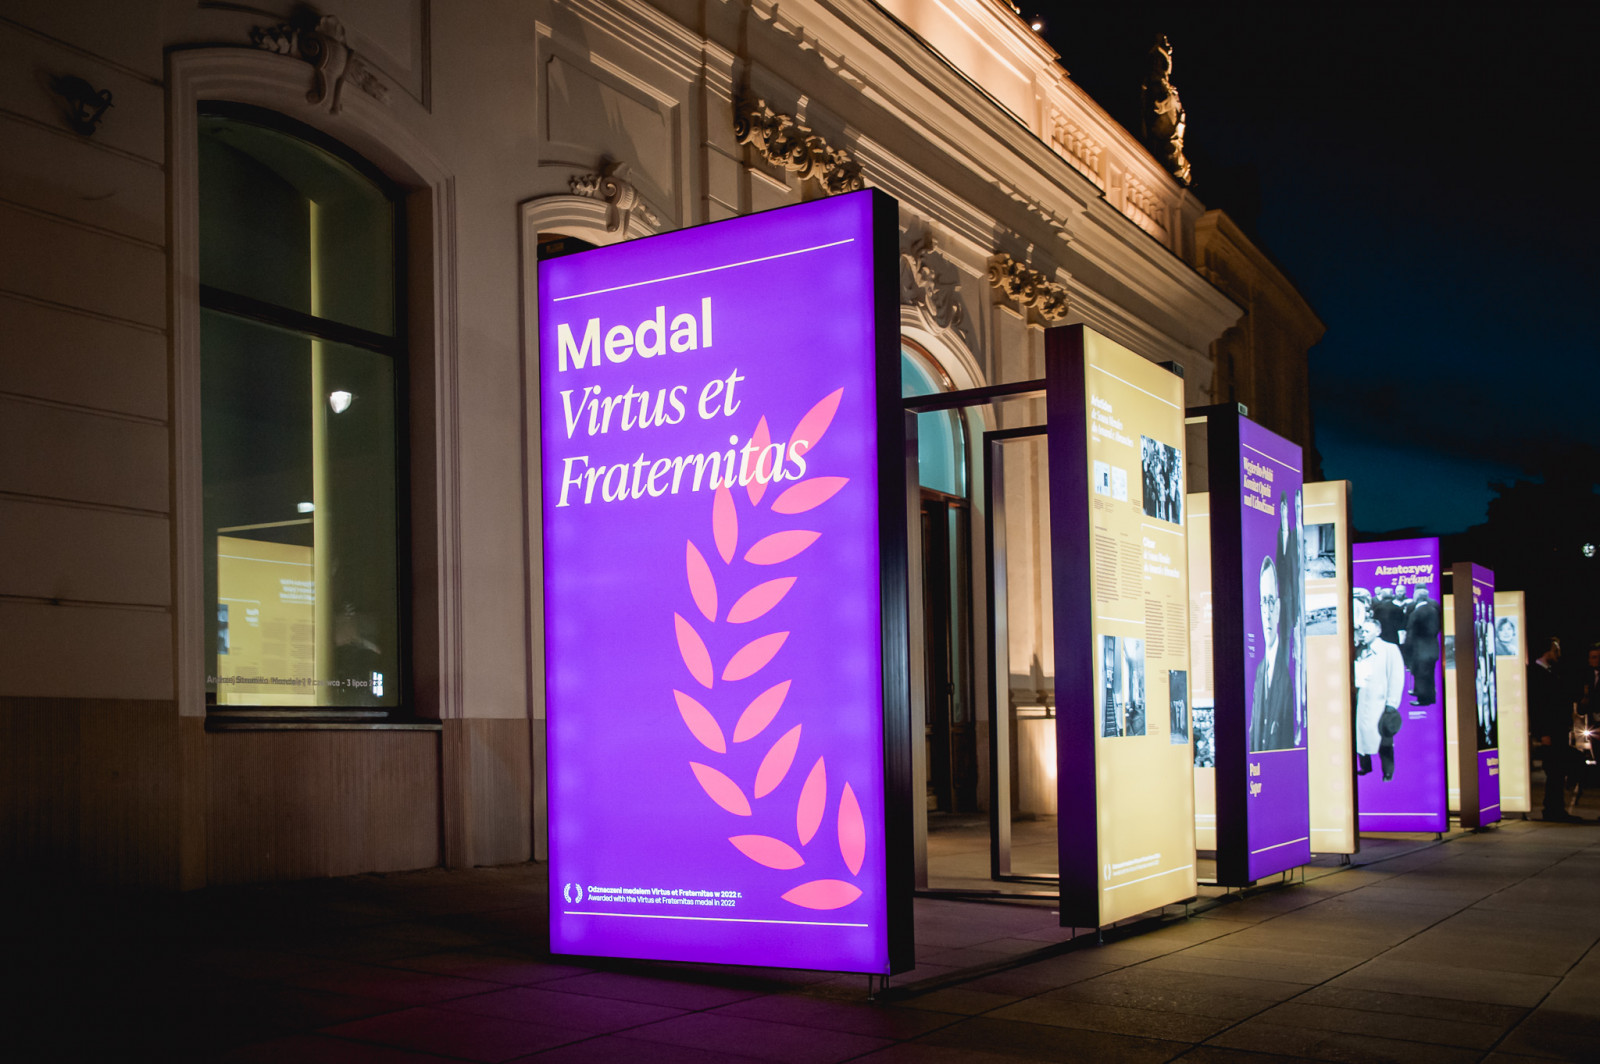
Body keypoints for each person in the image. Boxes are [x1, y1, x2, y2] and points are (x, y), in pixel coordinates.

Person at [1529, 636, 1583, 822]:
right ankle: (1553, 809)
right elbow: (1538, 706)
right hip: (1550, 730)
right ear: (1547, 651)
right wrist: (1543, 732)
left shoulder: (1550, 672)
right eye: (1555, 649)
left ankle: (1555, 808)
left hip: (1556, 729)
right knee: (1555, 769)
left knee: (1557, 770)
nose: (1558, 653)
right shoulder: (1537, 673)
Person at [1250, 556, 1294, 751]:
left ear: (1278, 607)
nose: (1267, 613)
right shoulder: (1260, 671)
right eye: (1263, 602)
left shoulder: (1289, 672)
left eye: (1270, 602)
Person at [1354, 617, 1405, 779]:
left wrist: (1392, 703)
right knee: (1361, 736)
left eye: (1367, 631)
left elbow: (1396, 677)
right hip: (1363, 702)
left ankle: (1388, 771)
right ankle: (1365, 766)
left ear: (1378, 631)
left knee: (1384, 738)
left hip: (1381, 703)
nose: (1363, 634)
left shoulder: (1390, 649)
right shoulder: (1361, 651)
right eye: (1362, 631)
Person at [1405, 588, 1441, 706]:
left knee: (1420, 674)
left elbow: (1410, 633)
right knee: (1429, 674)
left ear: (1417, 598)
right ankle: (1430, 696)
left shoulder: (1416, 613)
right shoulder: (1433, 610)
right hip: (1433, 647)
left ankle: (1423, 699)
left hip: (1420, 649)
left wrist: (1407, 650)